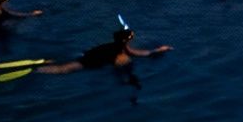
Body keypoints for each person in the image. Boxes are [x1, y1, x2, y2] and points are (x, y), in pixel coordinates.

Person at [29, 18, 171, 79]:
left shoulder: (116, 46)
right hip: (92, 61)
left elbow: (138, 53)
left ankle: (41, 65)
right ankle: (34, 71)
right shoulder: (121, 51)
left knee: (67, 64)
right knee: (63, 69)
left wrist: (158, 50)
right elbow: (127, 59)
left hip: (90, 55)